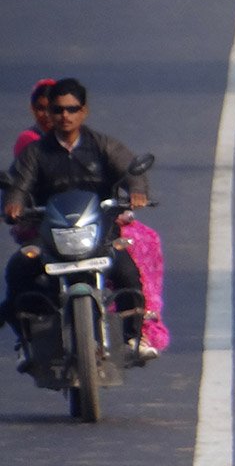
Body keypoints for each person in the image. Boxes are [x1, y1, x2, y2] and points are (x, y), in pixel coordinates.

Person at [2, 78, 156, 362]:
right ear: (50, 113)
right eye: (58, 110)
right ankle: (28, 340)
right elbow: (18, 185)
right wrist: (13, 204)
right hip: (50, 235)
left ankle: (133, 335)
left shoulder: (103, 146)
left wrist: (136, 192)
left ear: (83, 111)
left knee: (126, 271)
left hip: (99, 233)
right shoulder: (36, 153)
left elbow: (131, 170)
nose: (65, 116)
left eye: (72, 109)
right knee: (19, 269)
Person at [12, 78, 55, 158]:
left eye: (52, 108)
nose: (47, 114)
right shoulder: (28, 139)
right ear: (33, 109)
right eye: (41, 108)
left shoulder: (73, 138)